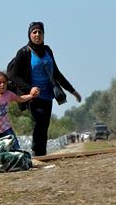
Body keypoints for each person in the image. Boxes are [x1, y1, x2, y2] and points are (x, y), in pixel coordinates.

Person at [8, 21, 82, 156]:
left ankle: (42, 153)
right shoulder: (23, 52)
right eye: (34, 32)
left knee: (45, 124)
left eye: (40, 32)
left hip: (48, 94)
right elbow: (13, 75)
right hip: (32, 95)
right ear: (29, 34)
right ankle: (37, 152)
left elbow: (56, 73)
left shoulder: (48, 50)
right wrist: (29, 88)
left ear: (44, 35)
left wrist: (72, 91)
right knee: (40, 120)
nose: (37, 35)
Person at [0, 71, 40, 150]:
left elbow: (20, 99)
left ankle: (18, 159)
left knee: (15, 146)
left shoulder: (8, 94)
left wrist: (31, 96)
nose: (2, 85)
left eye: (4, 83)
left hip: (6, 127)